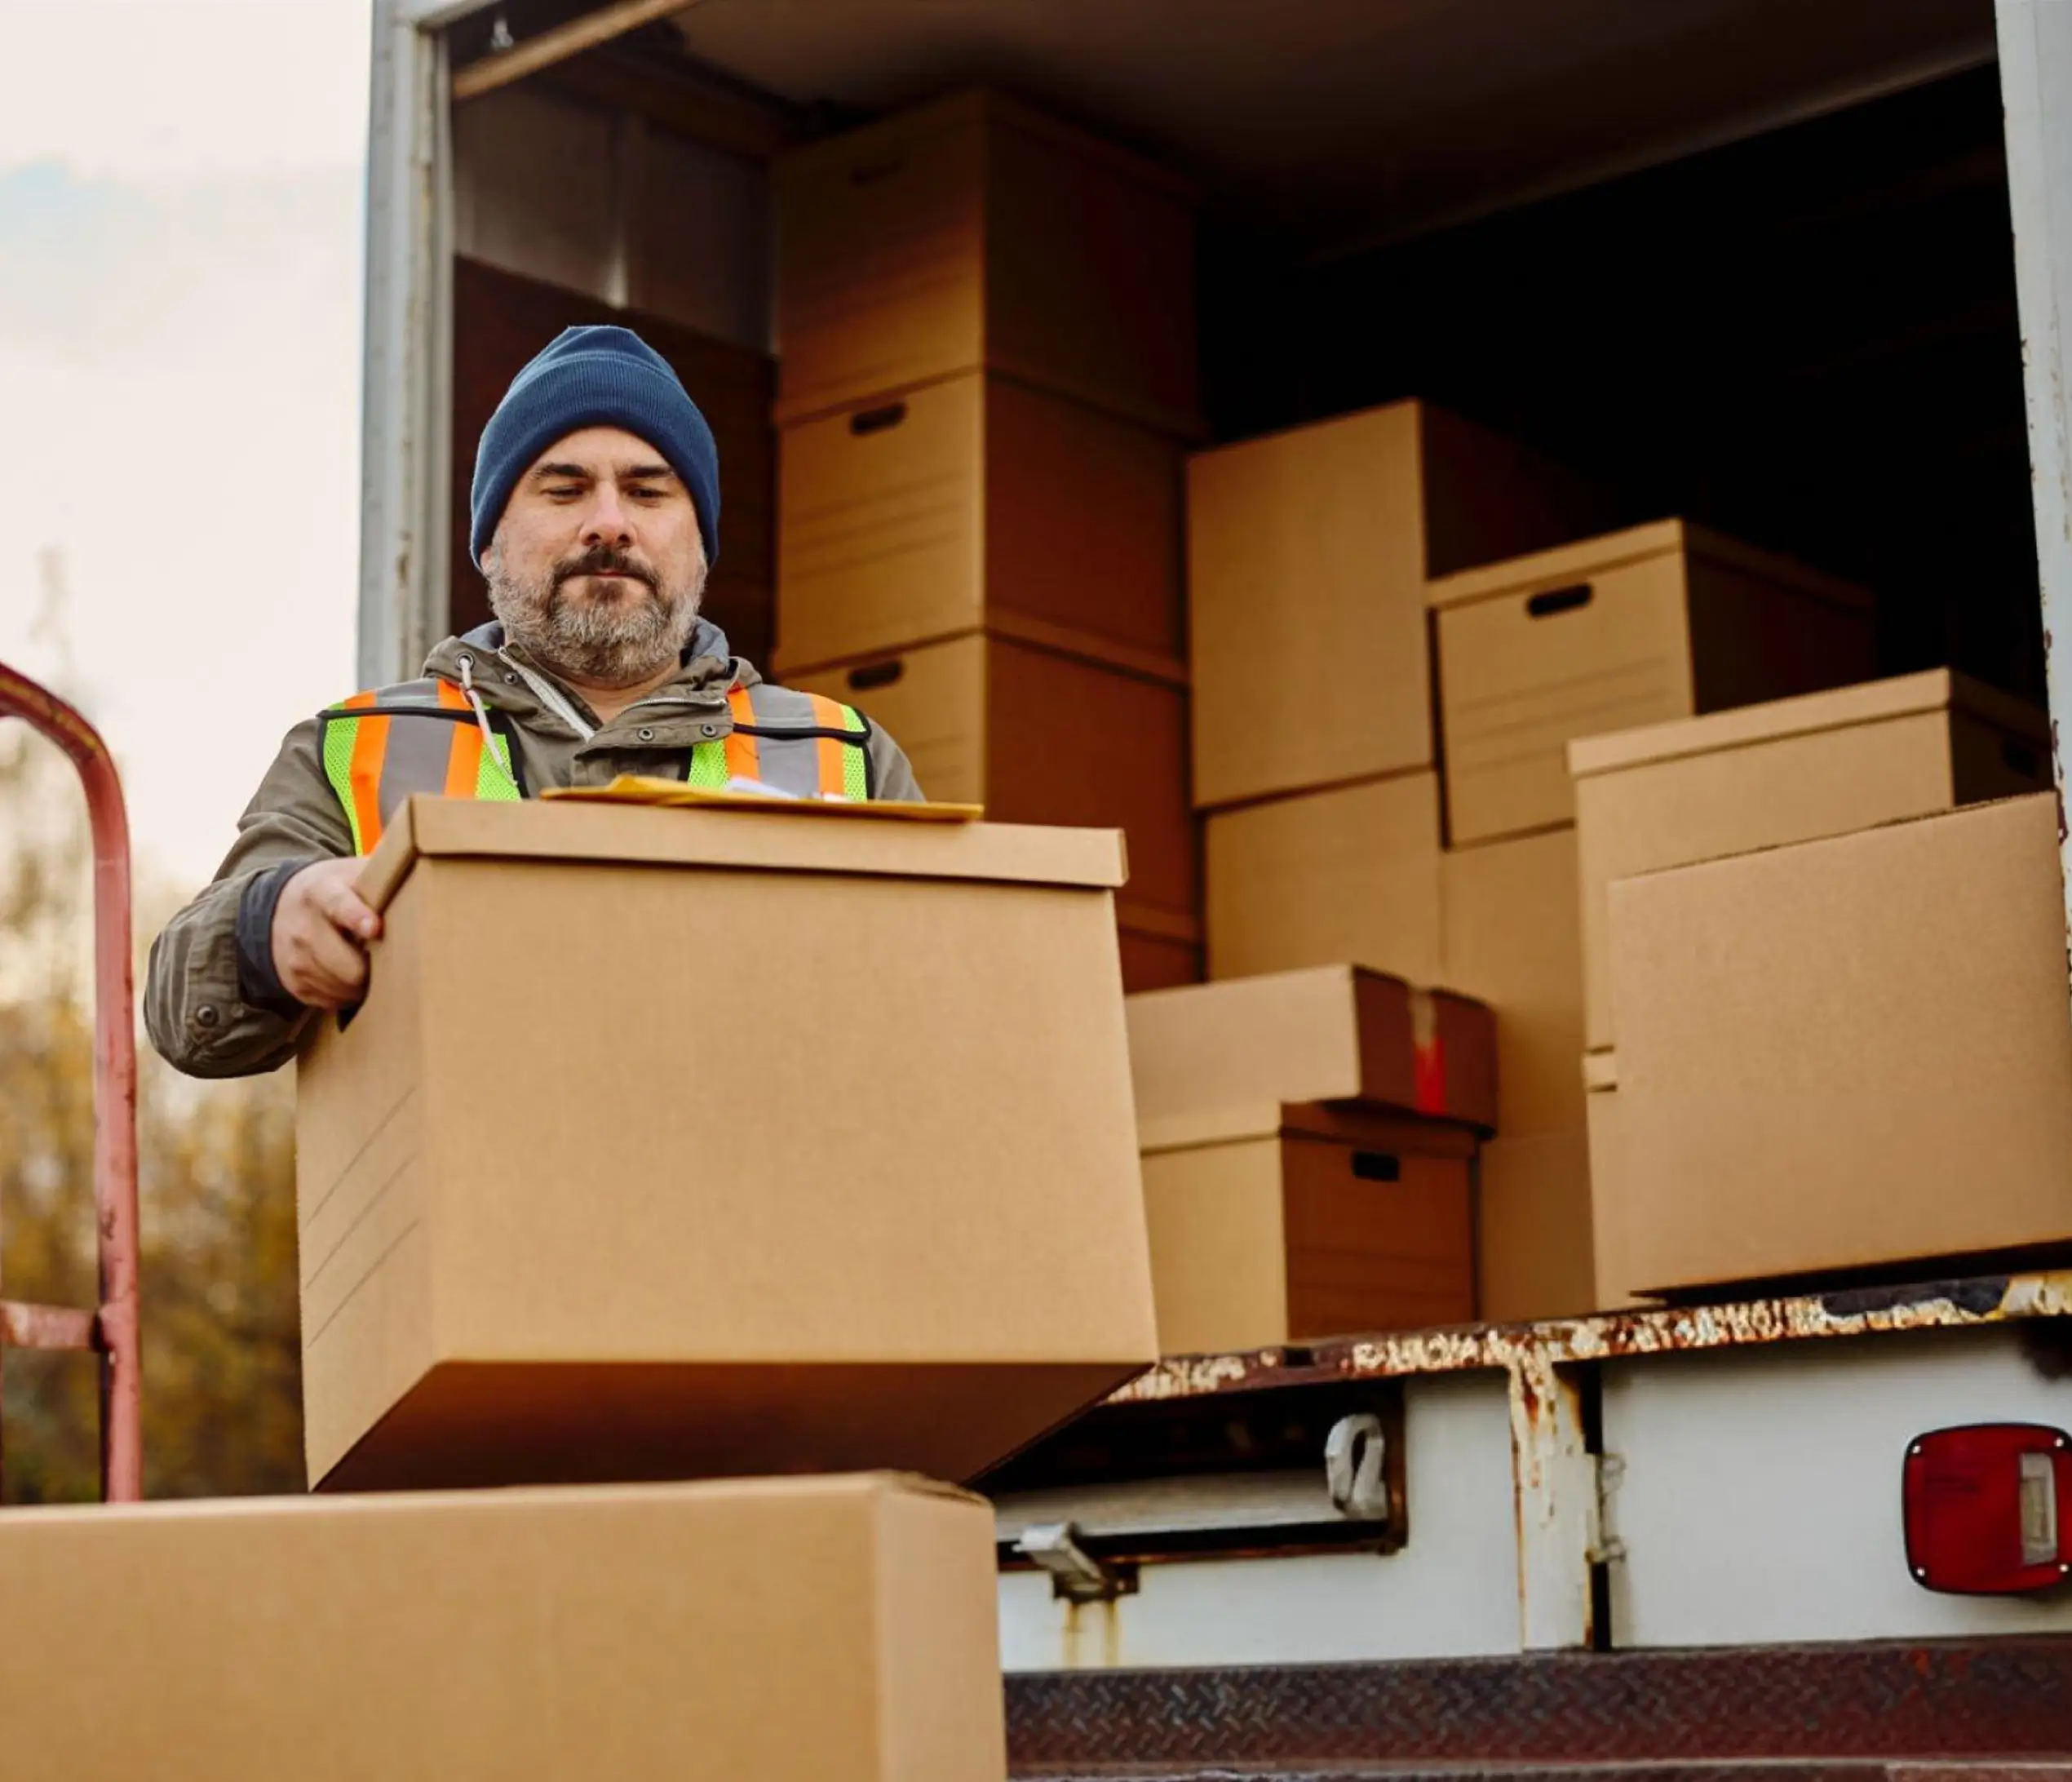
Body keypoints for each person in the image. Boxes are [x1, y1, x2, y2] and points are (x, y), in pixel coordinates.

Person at [146, 325, 921, 1079]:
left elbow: (941, 998)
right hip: (468, 1210)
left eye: (648, 491)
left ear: (701, 545)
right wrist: (266, 924)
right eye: (564, 489)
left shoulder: (843, 756)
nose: (609, 524)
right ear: (490, 542)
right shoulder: (354, 749)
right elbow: (182, 1011)